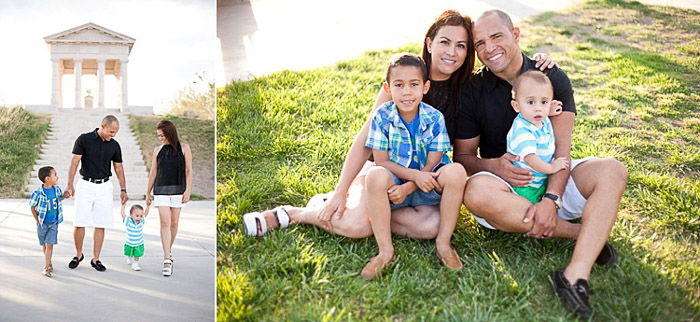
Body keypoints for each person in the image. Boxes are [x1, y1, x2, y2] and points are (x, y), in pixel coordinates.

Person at [241, 10, 556, 239]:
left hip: (424, 180)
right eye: (445, 42)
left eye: (461, 46)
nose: (452, 52)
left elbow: (448, 155)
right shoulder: (406, 78)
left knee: (430, 227)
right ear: (430, 42)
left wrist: (537, 59)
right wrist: (340, 190)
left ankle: (367, 210)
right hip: (383, 170)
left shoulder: (467, 88)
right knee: (356, 227)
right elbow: (365, 140)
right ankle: (298, 213)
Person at [453, 10, 628, 319]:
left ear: (516, 34)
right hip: (506, 190)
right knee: (474, 193)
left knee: (612, 169)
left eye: (497, 37)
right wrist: (495, 166)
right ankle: (583, 234)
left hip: (552, 176)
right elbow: (464, 157)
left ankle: (574, 275)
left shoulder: (551, 76)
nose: (489, 48)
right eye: (479, 43)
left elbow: (563, 149)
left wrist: (551, 198)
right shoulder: (473, 89)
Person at [358, 53, 466, 280]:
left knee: (456, 171)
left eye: (414, 84)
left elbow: (434, 161)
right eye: (399, 85)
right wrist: (411, 179)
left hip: (428, 183)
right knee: (376, 175)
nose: (407, 92)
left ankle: (443, 244)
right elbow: (381, 161)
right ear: (387, 88)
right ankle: (385, 251)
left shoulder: (435, 117)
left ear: (425, 87)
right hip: (394, 186)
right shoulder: (382, 116)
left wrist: (411, 185)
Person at [65, 115, 128, 272]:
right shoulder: (84, 139)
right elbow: (74, 162)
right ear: (102, 126)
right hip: (85, 185)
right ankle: (78, 255)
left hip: (105, 187)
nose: (113, 135)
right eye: (111, 131)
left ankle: (96, 259)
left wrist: (123, 189)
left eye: (116, 133)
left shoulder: (114, 145)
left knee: (101, 224)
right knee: (79, 222)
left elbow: (119, 168)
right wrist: (69, 184)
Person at [507, 70, 569, 204]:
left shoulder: (540, 119)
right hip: (526, 186)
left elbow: (542, 111)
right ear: (516, 106)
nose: (538, 109)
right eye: (531, 102)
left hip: (540, 180)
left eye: (544, 102)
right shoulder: (522, 131)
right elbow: (531, 160)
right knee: (528, 211)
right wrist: (552, 168)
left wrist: (549, 110)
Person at [146, 120, 193, 277]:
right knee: (165, 222)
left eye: (162, 135)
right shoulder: (157, 150)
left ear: (170, 133)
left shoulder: (184, 148)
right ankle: (167, 258)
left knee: (174, 223)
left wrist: (188, 191)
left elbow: (188, 171)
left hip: (179, 191)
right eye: (158, 135)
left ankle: (169, 250)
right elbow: (153, 172)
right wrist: (148, 192)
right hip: (161, 190)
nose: (160, 138)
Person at [30, 166, 67, 277]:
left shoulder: (57, 190)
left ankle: (46, 268)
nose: (57, 177)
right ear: (47, 178)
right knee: (45, 245)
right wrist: (37, 221)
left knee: (49, 245)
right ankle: (49, 262)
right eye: (55, 175)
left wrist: (65, 196)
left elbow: (59, 198)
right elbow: (32, 207)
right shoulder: (38, 193)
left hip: (53, 223)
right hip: (42, 223)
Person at [121, 202, 150, 271]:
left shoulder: (141, 221)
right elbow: (123, 214)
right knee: (129, 253)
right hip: (129, 242)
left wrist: (148, 206)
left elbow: (145, 214)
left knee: (137, 254)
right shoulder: (128, 221)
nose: (139, 218)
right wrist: (123, 206)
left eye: (140, 216)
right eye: (137, 216)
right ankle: (129, 258)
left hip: (138, 243)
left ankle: (135, 264)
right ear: (131, 215)